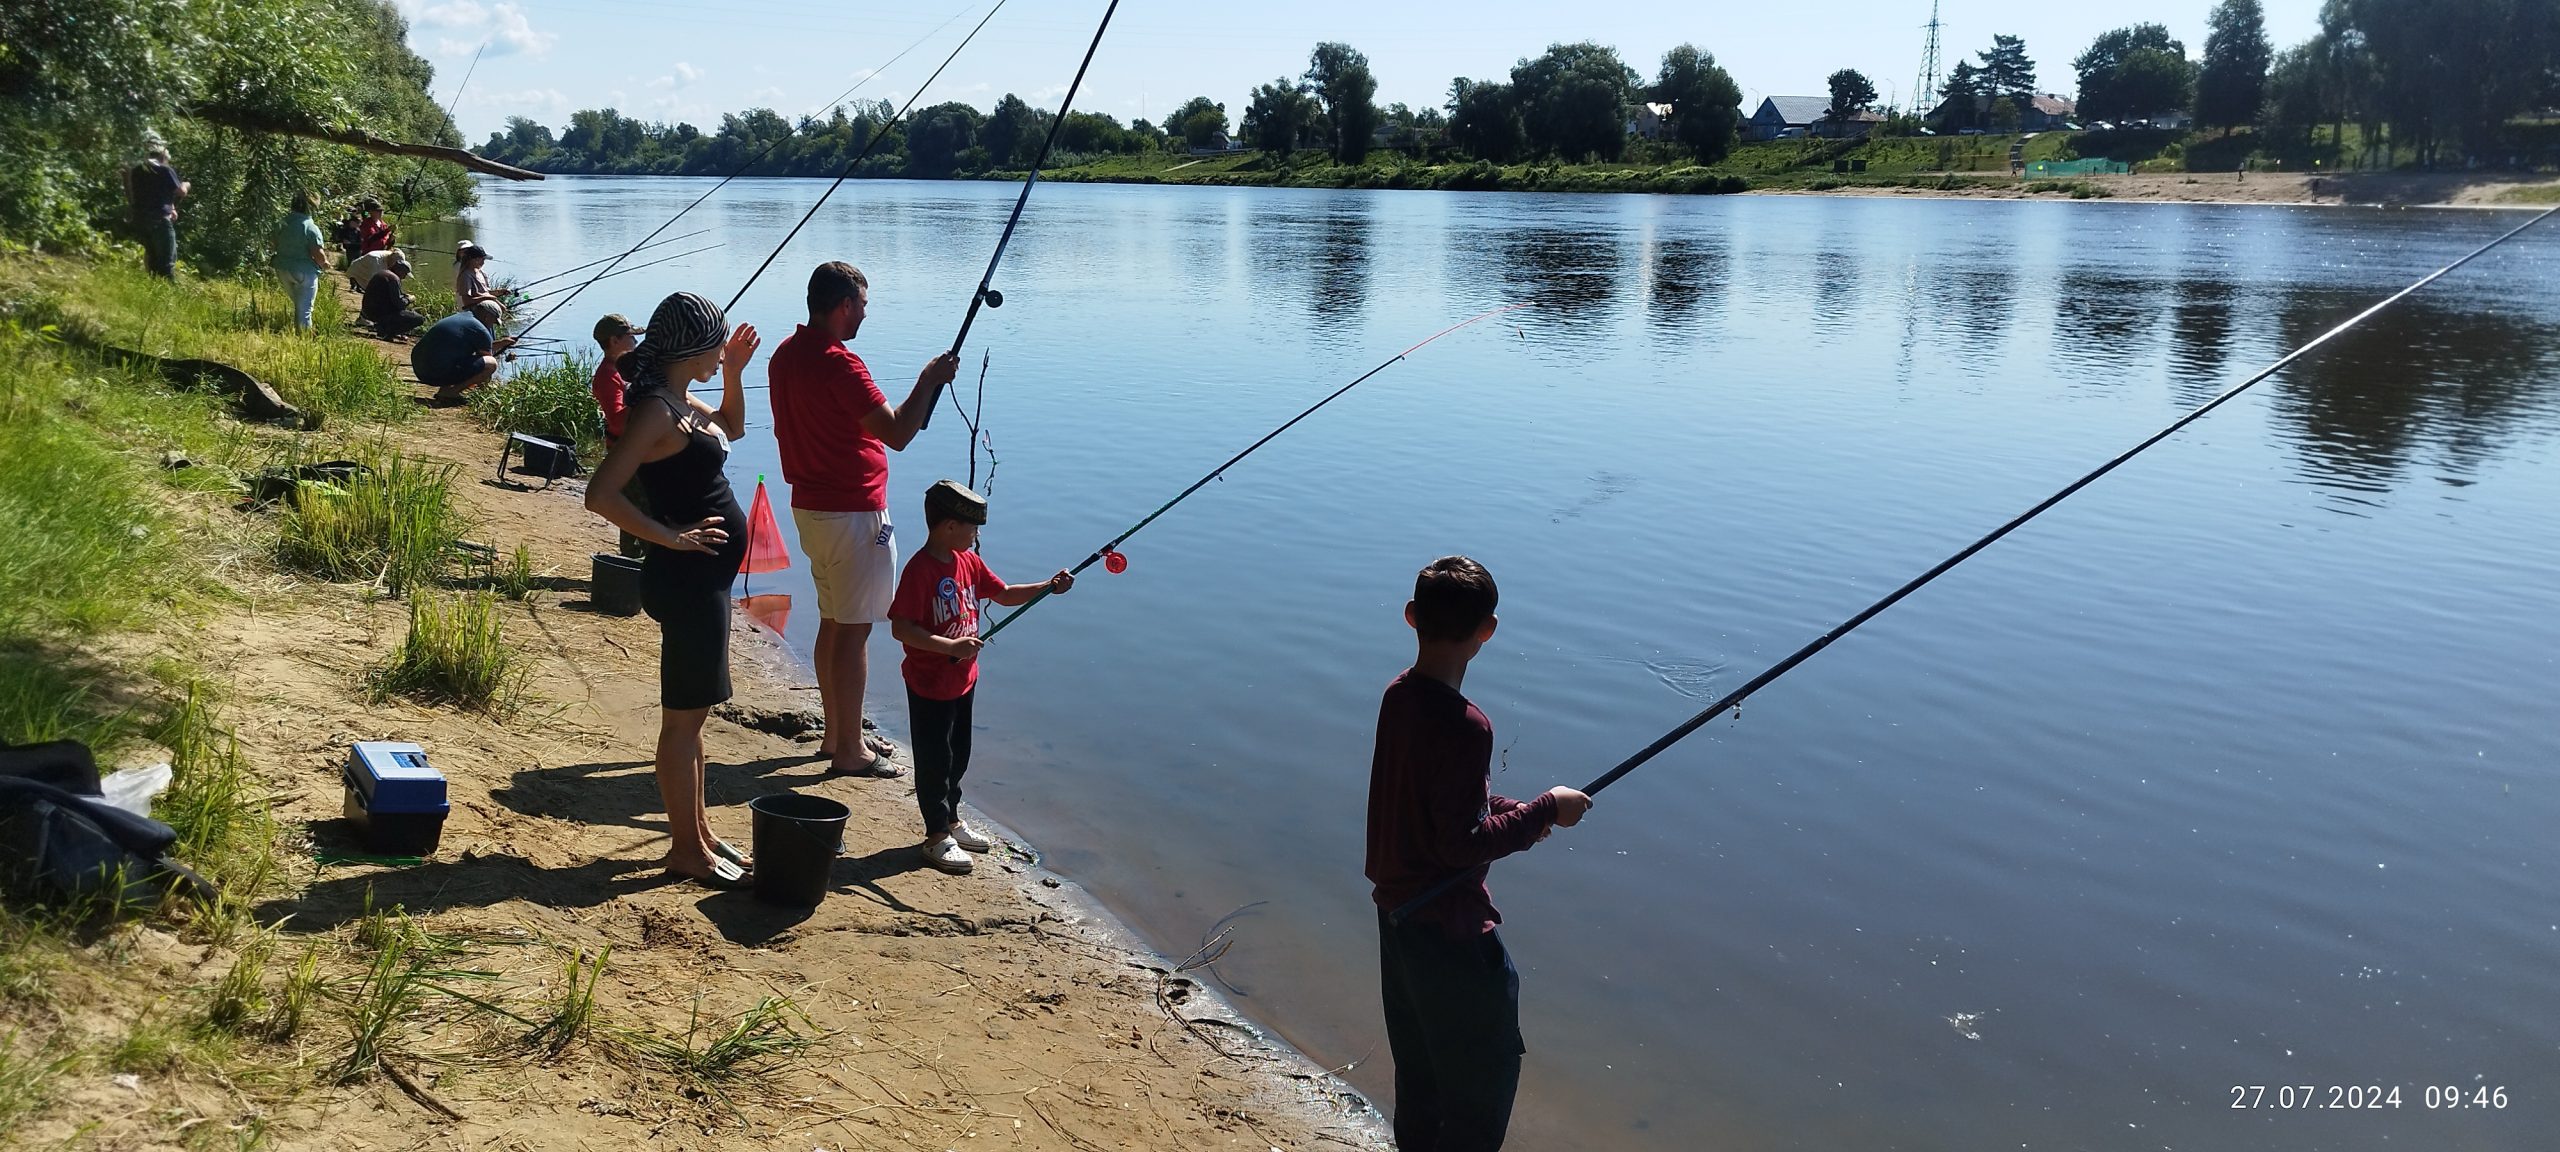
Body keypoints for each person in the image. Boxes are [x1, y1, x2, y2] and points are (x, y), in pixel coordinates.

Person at [1365, 556, 1592, 1152]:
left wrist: (1509, 810)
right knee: (1479, 1089)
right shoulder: (1468, 726)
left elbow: (1437, 804)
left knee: (1420, 1080)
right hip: (1450, 934)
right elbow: (1458, 844)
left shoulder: (1398, 696)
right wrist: (1546, 809)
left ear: (1412, 617)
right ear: (1488, 630)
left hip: (1398, 923)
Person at [582, 293, 762, 888]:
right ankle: (685, 850)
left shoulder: (682, 400)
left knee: (695, 718)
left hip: (703, 579)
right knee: (682, 724)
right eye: (716, 346)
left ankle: (700, 833)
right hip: (687, 581)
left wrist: (734, 373)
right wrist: (671, 537)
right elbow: (600, 494)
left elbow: (733, 426)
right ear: (690, 347)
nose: (720, 353)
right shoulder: (658, 411)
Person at [767, 261, 960, 777]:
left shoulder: (785, 354)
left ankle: (836, 736)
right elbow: (897, 433)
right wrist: (928, 379)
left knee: (834, 623)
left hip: (810, 509)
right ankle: (850, 750)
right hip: (853, 513)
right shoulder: (840, 364)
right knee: (852, 633)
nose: (865, 317)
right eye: (864, 306)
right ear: (844, 305)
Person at [885, 480, 1071, 874]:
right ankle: (936, 835)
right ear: (949, 526)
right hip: (929, 682)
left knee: (959, 754)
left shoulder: (968, 563)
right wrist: (949, 647)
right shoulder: (921, 570)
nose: (976, 536)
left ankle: (952, 818)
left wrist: (1047, 588)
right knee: (935, 758)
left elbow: (1002, 594)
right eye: (972, 529)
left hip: (964, 680)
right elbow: (901, 627)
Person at [592, 313, 650, 557]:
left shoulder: (622, 369)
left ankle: (634, 563)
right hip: (623, 452)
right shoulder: (607, 375)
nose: (635, 342)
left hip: (633, 449)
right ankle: (636, 562)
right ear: (614, 341)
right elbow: (616, 420)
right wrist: (643, 397)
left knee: (636, 508)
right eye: (630, 337)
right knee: (640, 509)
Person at [411, 301, 516, 405]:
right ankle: (450, 392)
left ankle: (446, 389)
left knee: (456, 355)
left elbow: (482, 347)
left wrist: (502, 343)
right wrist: (485, 392)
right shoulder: (481, 330)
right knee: (491, 363)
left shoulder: (462, 317)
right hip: (433, 373)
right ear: (487, 316)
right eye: (494, 322)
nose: (492, 325)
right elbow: (487, 360)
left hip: (419, 369)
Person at [126, 143, 189, 280]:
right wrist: (185, 184)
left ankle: (153, 289)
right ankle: (170, 295)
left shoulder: (137, 170)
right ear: (163, 157)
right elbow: (181, 192)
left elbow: (156, 192)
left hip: (141, 219)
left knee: (152, 260)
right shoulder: (165, 170)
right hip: (160, 220)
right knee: (167, 262)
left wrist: (171, 207)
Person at [272, 192, 330, 332]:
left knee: (299, 305)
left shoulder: (282, 223)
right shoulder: (310, 227)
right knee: (305, 309)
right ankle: (304, 340)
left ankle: (298, 334)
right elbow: (318, 254)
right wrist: (325, 264)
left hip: (282, 268)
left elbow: (273, 244)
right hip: (305, 272)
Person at [361, 256, 425, 341]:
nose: (405, 277)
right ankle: (388, 331)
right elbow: (400, 304)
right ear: (399, 271)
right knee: (419, 319)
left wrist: (404, 297)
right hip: (379, 315)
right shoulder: (394, 279)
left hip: (368, 312)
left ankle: (389, 330)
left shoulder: (383, 273)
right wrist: (410, 299)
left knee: (407, 312)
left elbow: (389, 297)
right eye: (405, 274)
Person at [454, 240, 503, 315]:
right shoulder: (465, 275)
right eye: (482, 259)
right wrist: (487, 298)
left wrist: (499, 292)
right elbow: (467, 301)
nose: (483, 262)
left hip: (485, 313)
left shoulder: (480, 273)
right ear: (474, 260)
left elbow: (484, 292)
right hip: (474, 314)